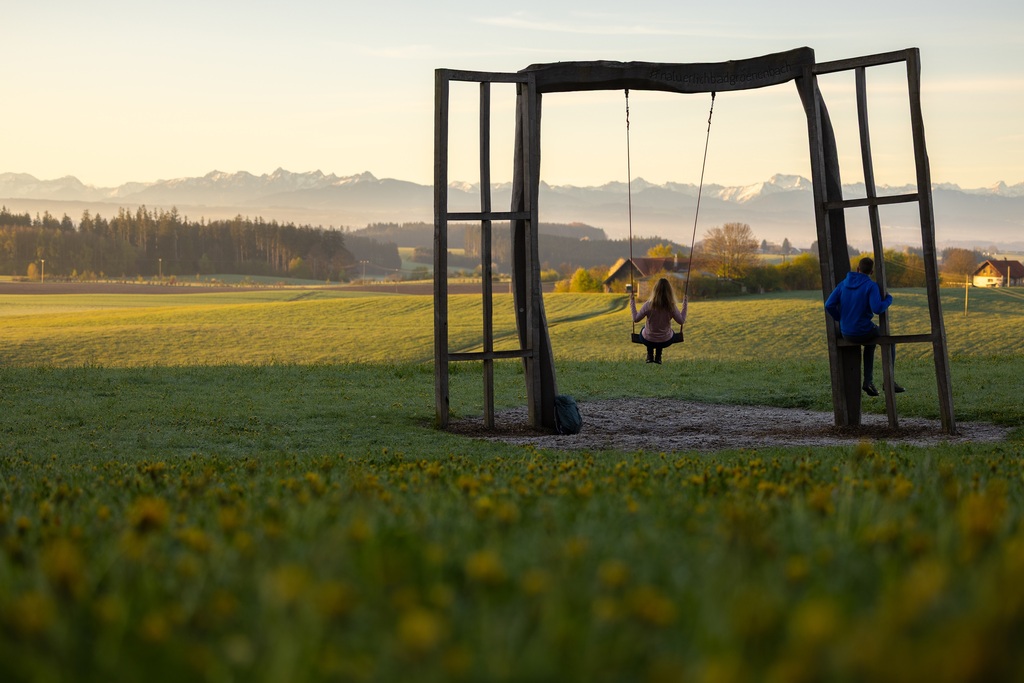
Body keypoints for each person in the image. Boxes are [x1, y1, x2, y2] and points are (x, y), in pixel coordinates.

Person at [824, 256, 904, 396]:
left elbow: (828, 304)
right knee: (890, 343)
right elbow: (877, 309)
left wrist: (840, 319)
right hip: (863, 330)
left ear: (857, 269)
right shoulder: (871, 285)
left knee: (870, 344)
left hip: (846, 333)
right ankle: (888, 381)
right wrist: (889, 299)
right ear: (871, 272)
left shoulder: (843, 284)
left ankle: (869, 382)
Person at [630, 277, 688, 364]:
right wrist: (685, 304)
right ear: (669, 292)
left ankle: (649, 355)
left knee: (645, 330)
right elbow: (681, 321)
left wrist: (632, 302)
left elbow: (635, 319)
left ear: (655, 290)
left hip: (648, 340)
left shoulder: (648, 305)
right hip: (665, 341)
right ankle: (658, 356)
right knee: (666, 331)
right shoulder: (671, 307)